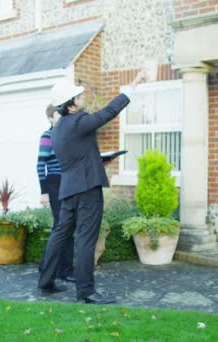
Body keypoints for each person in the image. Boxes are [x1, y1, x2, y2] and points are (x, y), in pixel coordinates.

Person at [37, 71, 145, 304]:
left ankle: (45, 281)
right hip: (87, 189)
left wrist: (99, 159)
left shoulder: (57, 129)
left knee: (60, 233)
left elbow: (76, 156)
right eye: (78, 96)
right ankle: (86, 291)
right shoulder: (78, 121)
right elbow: (109, 112)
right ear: (71, 106)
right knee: (86, 238)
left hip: (69, 189)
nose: (82, 97)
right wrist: (131, 87)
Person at [36, 104, 75, 283]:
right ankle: (62, 270)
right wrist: (44, 192)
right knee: (62, 226)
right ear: (51, 118)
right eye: (58, 115)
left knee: (65, 226)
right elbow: (40, 164)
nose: (61, 117)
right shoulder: (47, 136)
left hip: (68, 183)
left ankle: (50, 266)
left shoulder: (66, 136)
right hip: (53, 183)